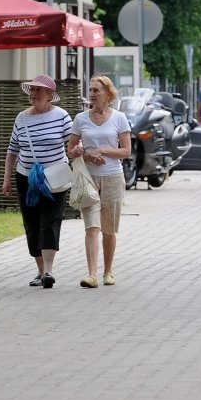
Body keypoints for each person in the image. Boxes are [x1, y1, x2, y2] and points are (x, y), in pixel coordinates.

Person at [2, 74, 73, 289]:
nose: (33, 94)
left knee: (50, 221)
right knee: (31, 224)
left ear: (50, 95)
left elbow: (73, 142)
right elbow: (12, 150)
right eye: (31, 90)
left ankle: (49, 271)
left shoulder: (61, 116)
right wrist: (6, 179)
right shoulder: (21, 118)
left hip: (55, 178)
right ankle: (40, 271)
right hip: (26, 178)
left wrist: (79, 152)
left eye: (38, 91)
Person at [67, 76, 131, 288]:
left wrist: (103, 150)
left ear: (108, 95)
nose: (92, 94)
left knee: (109, 229)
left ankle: (108, 272)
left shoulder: (119, 118)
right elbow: (71, 149)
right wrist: (82, 154)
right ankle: (92, 275)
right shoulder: (80, 119)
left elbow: (126, 151)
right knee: (91, 227)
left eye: (96, 90)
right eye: (91, 90)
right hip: (88, 179)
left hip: (113, 178)